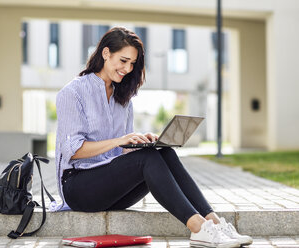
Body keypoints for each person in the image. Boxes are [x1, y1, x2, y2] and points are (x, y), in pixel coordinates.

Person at [54, 26, 252, 248]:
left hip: (109, 188)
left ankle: (213, 223)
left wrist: (139, 143)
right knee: (147, 160)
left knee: (162, 152)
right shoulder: (72, 93)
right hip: (79, 187)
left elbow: (121, 156)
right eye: (123, 61)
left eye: (132, 64)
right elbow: (73, 150)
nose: (128, 69)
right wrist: (119, 140)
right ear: (106, 53)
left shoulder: (123, 99)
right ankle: (198, 229)